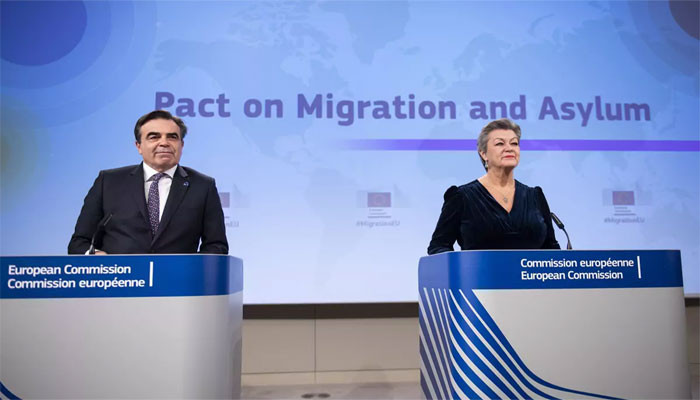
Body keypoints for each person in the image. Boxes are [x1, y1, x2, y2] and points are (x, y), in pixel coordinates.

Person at [68, 110, 228, 254]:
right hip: (121, 275)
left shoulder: (203, 186)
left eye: (172, 137)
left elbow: (216, 246)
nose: (164, 143)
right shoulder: (108, 182)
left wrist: (191, 268)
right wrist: (96, 257)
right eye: (154, 137)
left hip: (176, 277)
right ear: (139, 146)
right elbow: (79, 243)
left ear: (181, 145)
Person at [428, 118, 560, 254]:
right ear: (483, 153)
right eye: (500, 144)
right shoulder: (461, 197)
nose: (509, 148)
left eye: (514, 143)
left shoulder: (535, 196)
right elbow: (438, 247)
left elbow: (551, 248)